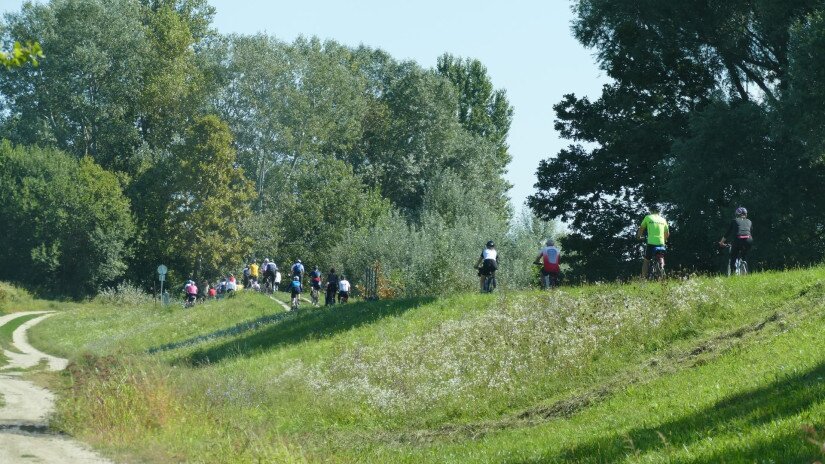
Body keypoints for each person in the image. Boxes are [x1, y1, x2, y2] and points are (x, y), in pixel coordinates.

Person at [636, 206, 670, 279]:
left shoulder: (648, 217)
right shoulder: (663, 220)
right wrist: (664, 240)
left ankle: (643, 279)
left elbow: (641, 228)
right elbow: (667, 234)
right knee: (661, 255)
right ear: (659, 212)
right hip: (661, 242)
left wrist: (639, 236)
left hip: (651, 242)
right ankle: (662, 266)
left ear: (651, 210)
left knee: (646, 260)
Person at [720, 206, 753, 275]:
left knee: (733, 256)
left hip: (738, 239)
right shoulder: (749, 221)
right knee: (744, 255)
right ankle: (745, 267)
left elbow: (728, 233)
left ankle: (732, 273)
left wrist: (721, 242)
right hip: (749, 240)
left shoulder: (734, 221)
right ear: (746, 214)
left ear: (737, 215)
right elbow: (749, 231)